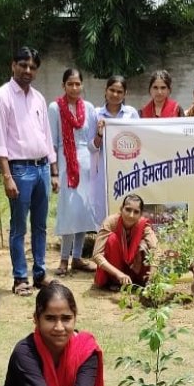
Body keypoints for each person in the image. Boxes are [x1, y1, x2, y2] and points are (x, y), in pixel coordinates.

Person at [0, 47, 58, 297]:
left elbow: (46, 135)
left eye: (32, 67)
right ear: (13, 65)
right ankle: (20, 278)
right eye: (23, 65)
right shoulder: (1, 97)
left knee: (40, 225)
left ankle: (40, 274)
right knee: (19, 227)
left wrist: (53, 170)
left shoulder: (38, 98)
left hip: (41, 168)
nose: (27, 70)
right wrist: (7, 176)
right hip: (19, 170)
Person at [48, 68, 100, 277]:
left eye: (78, 84)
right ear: (64, 86)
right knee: (69, 212)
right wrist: (53, 172)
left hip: (86, 162)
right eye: (70, 84)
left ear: (82, 85)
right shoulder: (54, 107)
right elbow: (51, 142)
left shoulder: (88, 108)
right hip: (65, 163)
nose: (74, 87)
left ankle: (77, 258)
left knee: (82, 212)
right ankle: (63, 259)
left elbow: (92, 140)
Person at [91, 75, 139, 225]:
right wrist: (99, 134)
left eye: (119, 91)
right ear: (106, 91)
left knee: (126, 208)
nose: (115, 94)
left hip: (127, 170)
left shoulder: (131, 114)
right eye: (112, 90)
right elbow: (91, 147)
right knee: (103, 211)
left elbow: (141, 140)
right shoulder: (95, 114)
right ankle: (105, 245)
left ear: (125, 94)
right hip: (103, 172)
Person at [92, 193, 158, 289]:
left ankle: (140, 281)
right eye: (128, 210)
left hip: (136, 269)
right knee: (112, 240)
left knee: (144, 245)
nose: (131, 215)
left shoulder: (143, 225)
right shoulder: (110, 222)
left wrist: (151, 279)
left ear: (140, 214)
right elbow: (97, 255)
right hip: (115, 272)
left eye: (136, 212)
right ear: (121, 209)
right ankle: (114, 281)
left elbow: (156, 251)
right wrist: (118, 274)